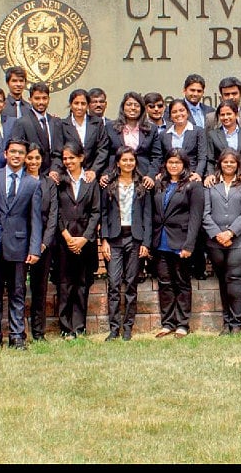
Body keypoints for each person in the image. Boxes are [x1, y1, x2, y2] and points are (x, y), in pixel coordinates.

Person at [0, 138, 43, 349]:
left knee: (17, 293)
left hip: (19, 246)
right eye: (13, 152)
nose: (17, 156)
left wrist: (34, 248)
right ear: (6, 154)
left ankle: (17, 335)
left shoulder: (32, 183)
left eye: (21, 153)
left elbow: (35, 219)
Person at [202, 148, 241, 335]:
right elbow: (205, 213)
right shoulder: (210, 184)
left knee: (234, 278)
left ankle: (237, 323)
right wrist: (218, 234)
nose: (229, 165)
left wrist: (230, 232)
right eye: (225, 162)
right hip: (215, 242)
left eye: (232, 162)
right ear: (219, 164)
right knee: (223, 280)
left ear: (238, 164)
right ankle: (226, 322)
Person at [101, 146, 152, 341]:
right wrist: (104, 240)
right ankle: (114, 329)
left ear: (135, 162)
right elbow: (104, 215)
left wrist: (145, 243)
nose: (128, 163)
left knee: (131, 283)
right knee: (114, 284)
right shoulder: (109, 186)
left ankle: (128, 327)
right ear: (118, 163)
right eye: (124, 160)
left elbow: (147, 217)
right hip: (114, 239)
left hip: (135, 238)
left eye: (131, 160)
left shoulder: (142, 186)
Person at [151, 149, 203, 338]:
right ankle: (168, 322)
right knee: (165, 283)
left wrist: (189, 245)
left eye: (178, 162)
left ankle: (182, 324)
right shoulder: (159, 184)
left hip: (181, 242)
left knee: (182, 283)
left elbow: (196, 217)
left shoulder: (193, 185)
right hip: (161, 241)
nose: (174, 165)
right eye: (171, 162)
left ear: (184, 165)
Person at [54, 142, 101, 339]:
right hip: (64, 241)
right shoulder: (59, 182)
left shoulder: (91, 182)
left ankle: (79, 326)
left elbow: (96, 212)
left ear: (81, 158)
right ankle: (66, 328)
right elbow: (55, 210)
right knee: (64, 285)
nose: (68, 161)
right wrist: (66, 235)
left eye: (72, 158)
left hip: (85, 242)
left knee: (82, 284)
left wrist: (84, 238)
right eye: (65, 158)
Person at [23, 144, 59, 342]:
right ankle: (18, 332)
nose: (34, 162)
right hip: (21, 242)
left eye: (37, 158)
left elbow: (53, 214)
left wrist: (43, 243)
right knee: (19, 288)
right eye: (30, 158)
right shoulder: (20, 180)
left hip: (45, 245)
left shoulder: (49, 183)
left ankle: (39, 332)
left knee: (40, 289)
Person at [8, 82, 62, 178]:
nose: (41, 102)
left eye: (44, 98)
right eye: (37, 98)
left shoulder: (55, 122)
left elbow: (58, 151)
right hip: (30, 176)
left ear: (49, 99)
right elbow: (18, 152)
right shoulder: (22, 123)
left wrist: (54, 170)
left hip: (53, 177)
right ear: (30, 99)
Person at [105, 92, 162, 180]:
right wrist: (105, 174)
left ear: (142, 109)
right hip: (115, 176)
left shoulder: (151, 129)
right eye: (129, 104)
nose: (133, 108)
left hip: (144, 177)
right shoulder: (110, 127)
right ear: (123, 107)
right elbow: (104, 153)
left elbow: (157, 156)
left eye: (136, 105)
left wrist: (151, 175)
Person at [58, 88, 111, 182]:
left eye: (83, 103)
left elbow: (103, 149)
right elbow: (58, 151)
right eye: (76, 103)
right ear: (70, 105)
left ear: (88, 106)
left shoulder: (97, 123)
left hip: (93, 175)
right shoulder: (62, 125)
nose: (79, 107)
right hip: (68, 176)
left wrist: (94, 170)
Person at [205, 99, 241, 184]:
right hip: (219, 180)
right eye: (222, 115)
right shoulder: (212, 135)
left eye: (229, 114)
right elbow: (210, 160)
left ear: (236, 114)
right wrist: (211, 174)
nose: (226, 117)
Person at [158, 100, 206, 182]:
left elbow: (202, 156)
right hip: (169, 177)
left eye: (181, 110)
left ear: (188, 112)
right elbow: (161, 158)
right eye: (174, 112)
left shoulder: (198, 131)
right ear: (170, 116)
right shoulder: (164, 134)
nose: (178, 114)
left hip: (191, 176)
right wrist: (161, 173)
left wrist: (198, 173)